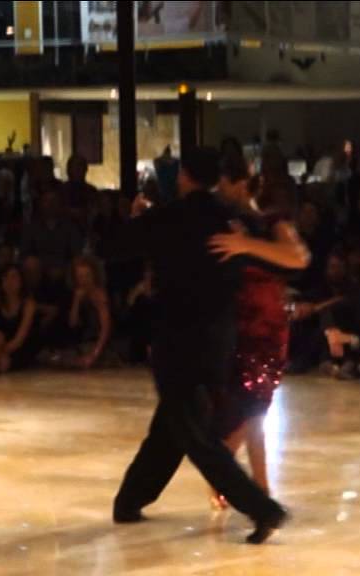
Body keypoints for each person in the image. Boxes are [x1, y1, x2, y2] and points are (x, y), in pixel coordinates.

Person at [111, 147, 288, 545]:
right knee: (171, 427)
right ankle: (130, 499)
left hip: (178, 340)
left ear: (184, 176)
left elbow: (119, 245)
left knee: (195, 435)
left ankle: (263, 509)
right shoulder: (229, 219)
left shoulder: (172, 216)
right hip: (220, 342)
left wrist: (135, 216)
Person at [204, 158, 310, 509]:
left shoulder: (268, 223)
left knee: (252, 410)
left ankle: (234, 481)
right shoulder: (224, 223)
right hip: (235, 327)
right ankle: (256, 489)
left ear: (242, 185)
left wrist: (247, 245)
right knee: (251, 411)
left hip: (265, 330)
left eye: (224, 186)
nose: (219, 194)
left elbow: (298, 256)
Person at [50, 256, 114, 369]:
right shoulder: (78, 294)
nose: (84, 280)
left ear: (94, 275)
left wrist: (94, 354)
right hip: (82, 342)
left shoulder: (100, 296)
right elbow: (72, 324)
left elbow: (106, 329)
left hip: (99, 344)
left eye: (87, 275)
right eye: (80, 276)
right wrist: (76, 301)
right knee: (55, 358)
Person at [21, 188, 84, 277]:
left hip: (65, 271)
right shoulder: (32, 228)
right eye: (46, 200)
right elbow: (25, 253)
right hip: (39, 271)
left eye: (54, 200)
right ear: (41, 204)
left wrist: (62, 268)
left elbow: (76, 252)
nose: (50, 204)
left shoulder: (70, 227)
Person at [63, 154, 100, 234]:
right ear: (68, 170)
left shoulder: (91, 191)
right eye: (75, 167)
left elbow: (95, 212)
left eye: (81, 166)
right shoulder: (62, 190)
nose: (78, 170)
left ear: (86, 169)